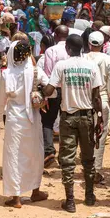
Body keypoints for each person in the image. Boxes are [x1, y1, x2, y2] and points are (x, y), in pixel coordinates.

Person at [43, 34, 103, 212]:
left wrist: (40, 87)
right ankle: (90, 195)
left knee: (67, 160)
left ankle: (70, 201)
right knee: (88, 158)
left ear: (68, 49)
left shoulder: (61, 66)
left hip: (68, 117)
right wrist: (99, 118)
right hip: (87, 117)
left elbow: (49, 89)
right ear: (83, 48)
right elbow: (97, 96)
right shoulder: (92, 66)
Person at [0, 41, 49, 208]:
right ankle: (35, 191)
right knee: (35, 154)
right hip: (32, 118)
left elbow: (0, 100)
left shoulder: (6, 74)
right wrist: (41, 97)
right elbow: (50, 86)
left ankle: (16, 198)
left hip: (13, 120)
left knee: (13, 156)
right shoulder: (35, 72)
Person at [85, 31, 110, 184]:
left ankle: (88, 168)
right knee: (101, 136)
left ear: (89, 43)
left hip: (85, 101)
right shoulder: (108, 59)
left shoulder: (83, 58)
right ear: (104, 44)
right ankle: (96, 170)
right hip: (103, 99)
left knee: (86, 136)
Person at [42, 25, 70, 167]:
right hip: (68, 90)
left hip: (53, 90)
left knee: (47, 121)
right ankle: (65, 155)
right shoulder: (72, 50)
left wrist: (45, 96)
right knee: (66, 122)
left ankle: (49, 151)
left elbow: (48, 74)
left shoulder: (51, 51)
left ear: (56, 35)